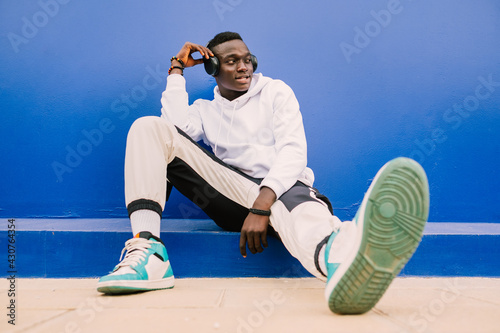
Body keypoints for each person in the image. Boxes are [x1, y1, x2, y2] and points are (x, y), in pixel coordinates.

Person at [97, 31, 429, 314]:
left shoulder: (275, 92)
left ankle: (344, 260)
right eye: (231, 61)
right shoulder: (205, 111)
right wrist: (176, 70)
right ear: (212, 67)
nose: (243, 66)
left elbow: (293, 152)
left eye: (248, 59)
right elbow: (172, 129)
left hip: (281, 190)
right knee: (149, 128)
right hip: (232, 196)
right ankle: (149, 251)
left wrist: (262, 204)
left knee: (297, 205)